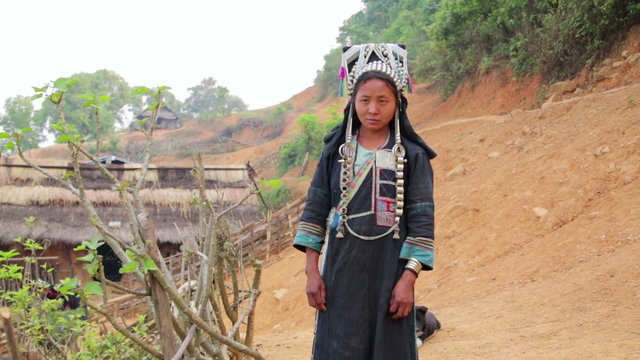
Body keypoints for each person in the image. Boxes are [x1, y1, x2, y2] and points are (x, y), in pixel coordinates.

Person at [293, 43, 437, 360]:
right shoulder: (335, 152)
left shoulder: (413, 157)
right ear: (353, 101)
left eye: (382, 101)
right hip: (341, 272)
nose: (373, 109)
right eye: (365, 100)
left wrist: (408, 281)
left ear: (397, 103)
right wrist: (312, 273)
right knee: (339, 347)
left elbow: (422, 223)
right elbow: (316, 210)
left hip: (391, 272)